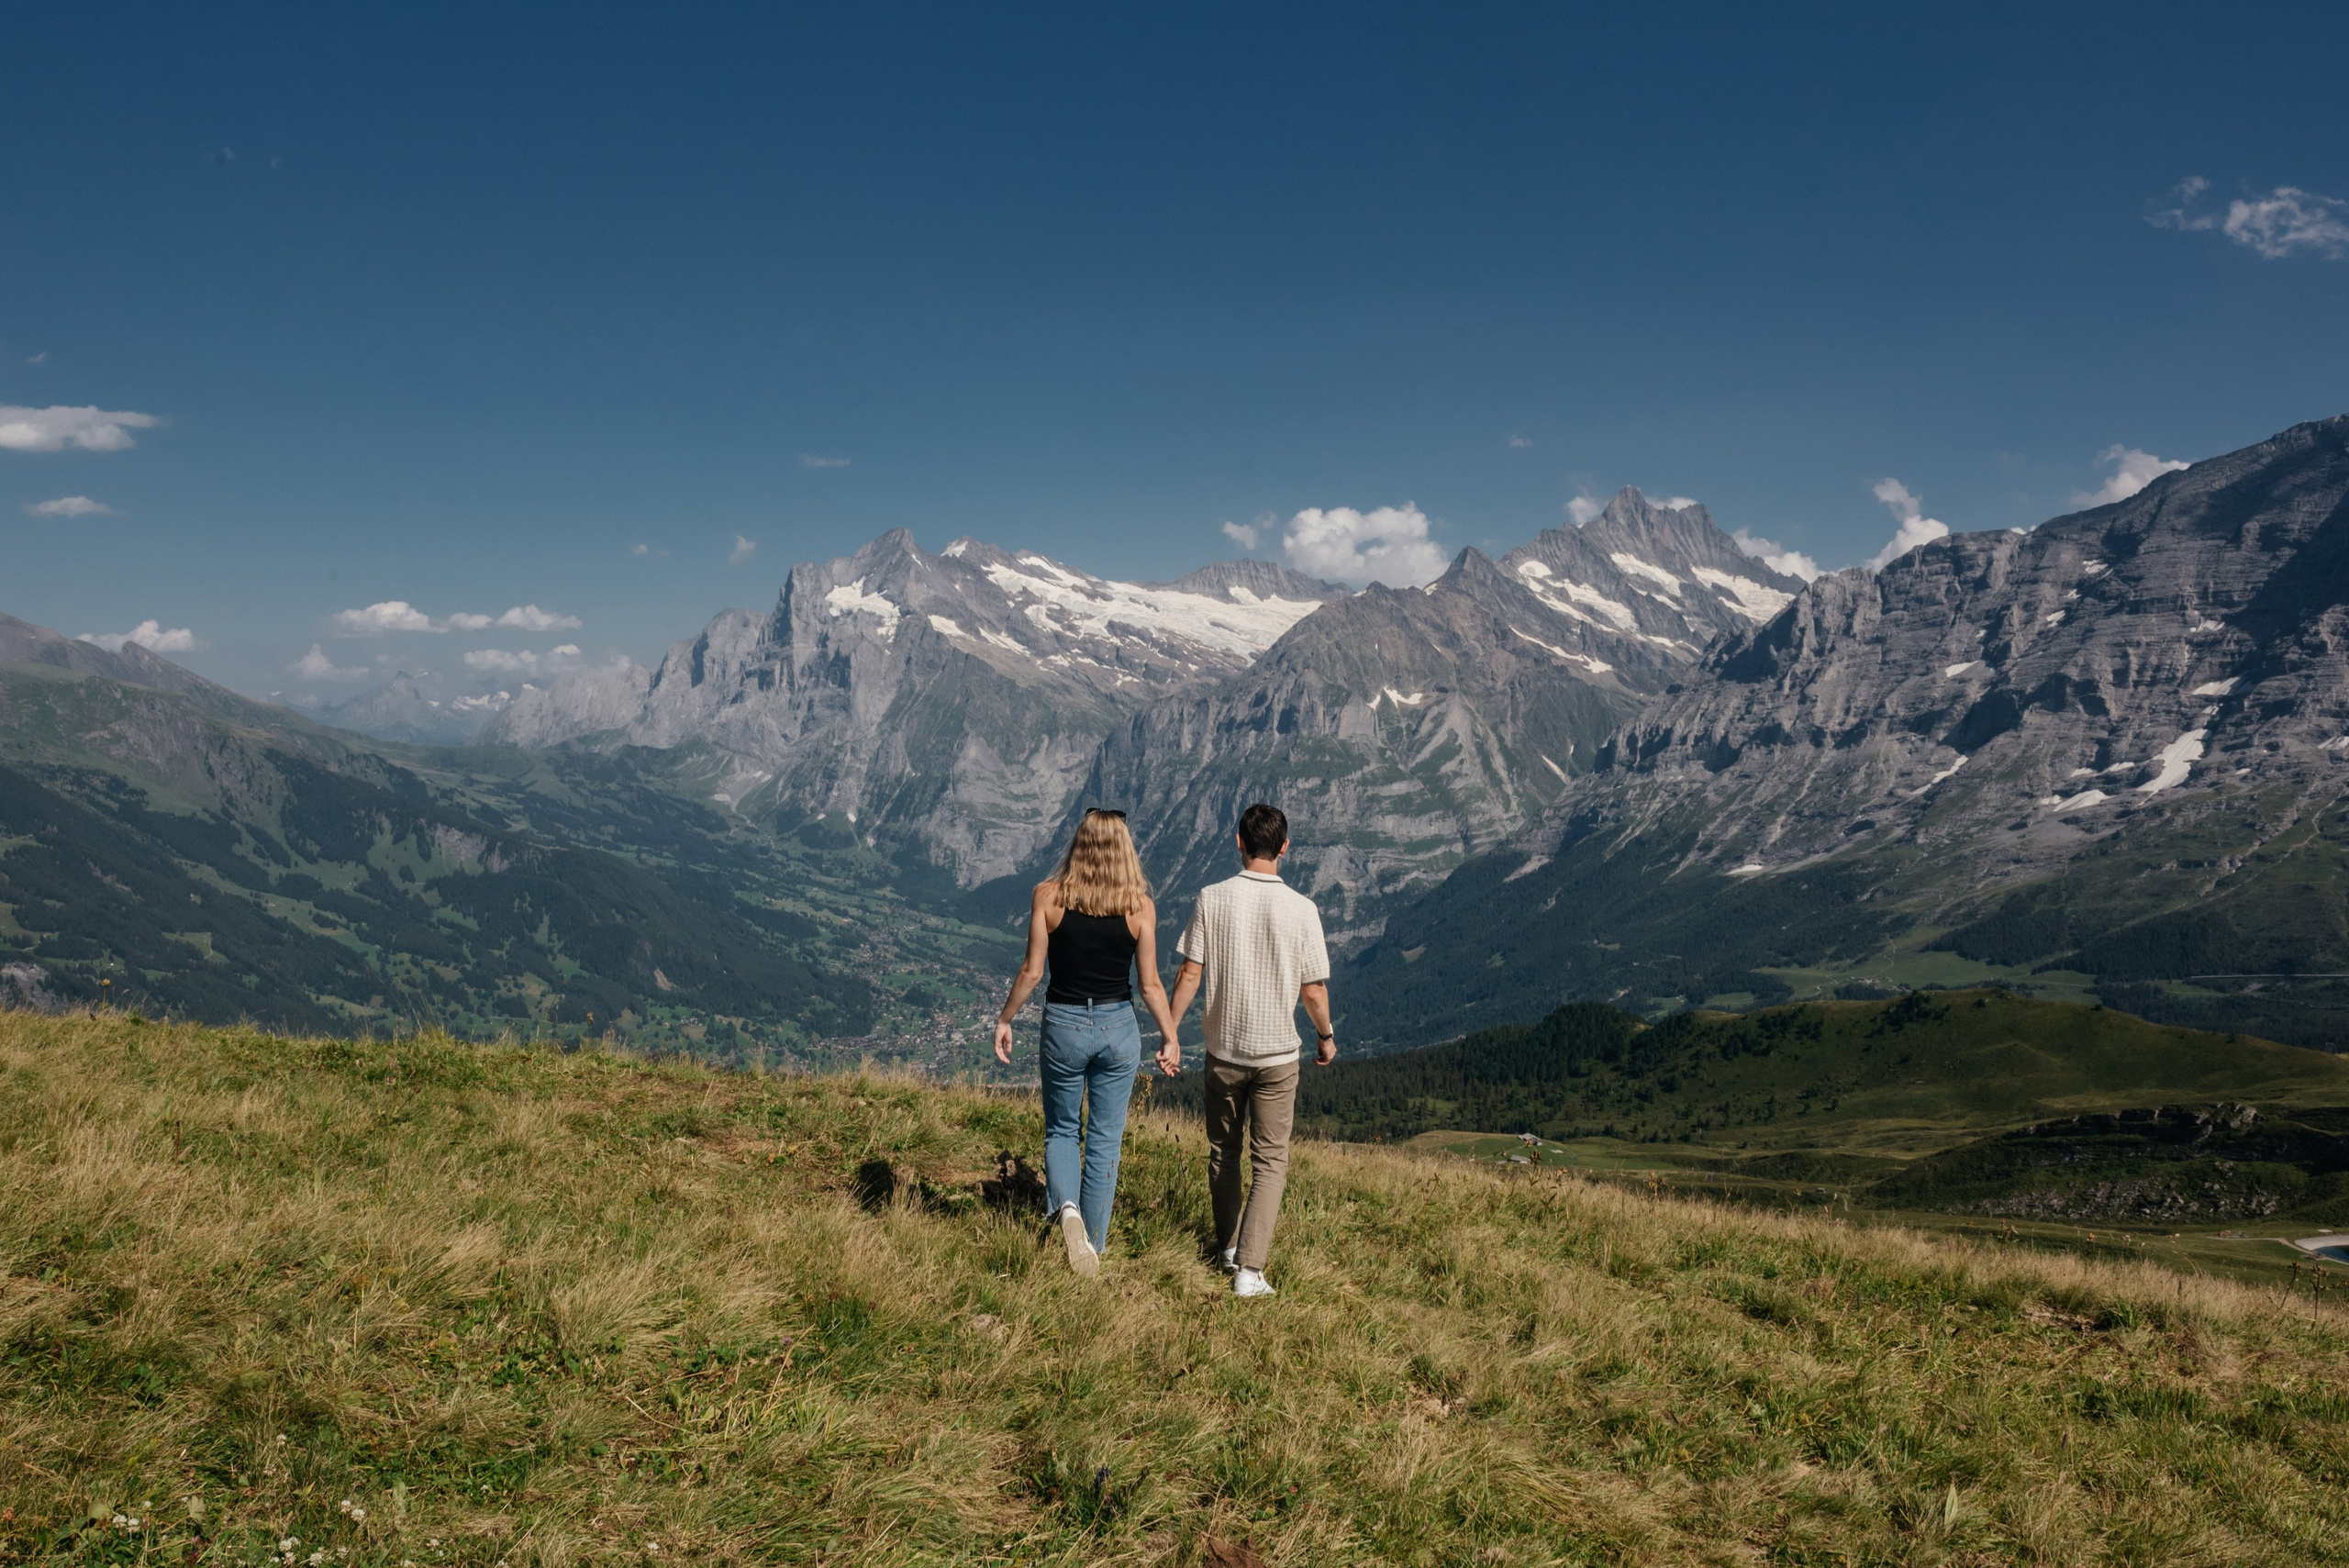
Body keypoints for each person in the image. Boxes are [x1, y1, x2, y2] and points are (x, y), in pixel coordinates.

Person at [994, 808, 1182, 1277]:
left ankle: (1068, 1212)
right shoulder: (1139, 906)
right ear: (1125, 849)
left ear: (1078, 844)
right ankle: (1091, 1248)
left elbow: (1033, 971)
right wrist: (1170, 1034)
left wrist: (1005, 1017)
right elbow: (1151, 984)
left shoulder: (1048, 897)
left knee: (1061, 1129)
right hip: (1118, 1026)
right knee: (1104, 1142)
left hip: (1065, 1023)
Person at [1165, 803, 1332, 1299]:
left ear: (1238, 842)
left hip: (1224, 1050)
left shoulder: (1211, 898)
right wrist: (1325, 1035)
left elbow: (1190, 974)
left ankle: (1228, 1247)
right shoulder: (1303, 909)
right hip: (1277, 1054)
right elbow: (1314, 990)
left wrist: (1170, 1032)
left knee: (1223, 1152)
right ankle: (1251, 1272)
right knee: (1271, 1160)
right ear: (1284, 847)